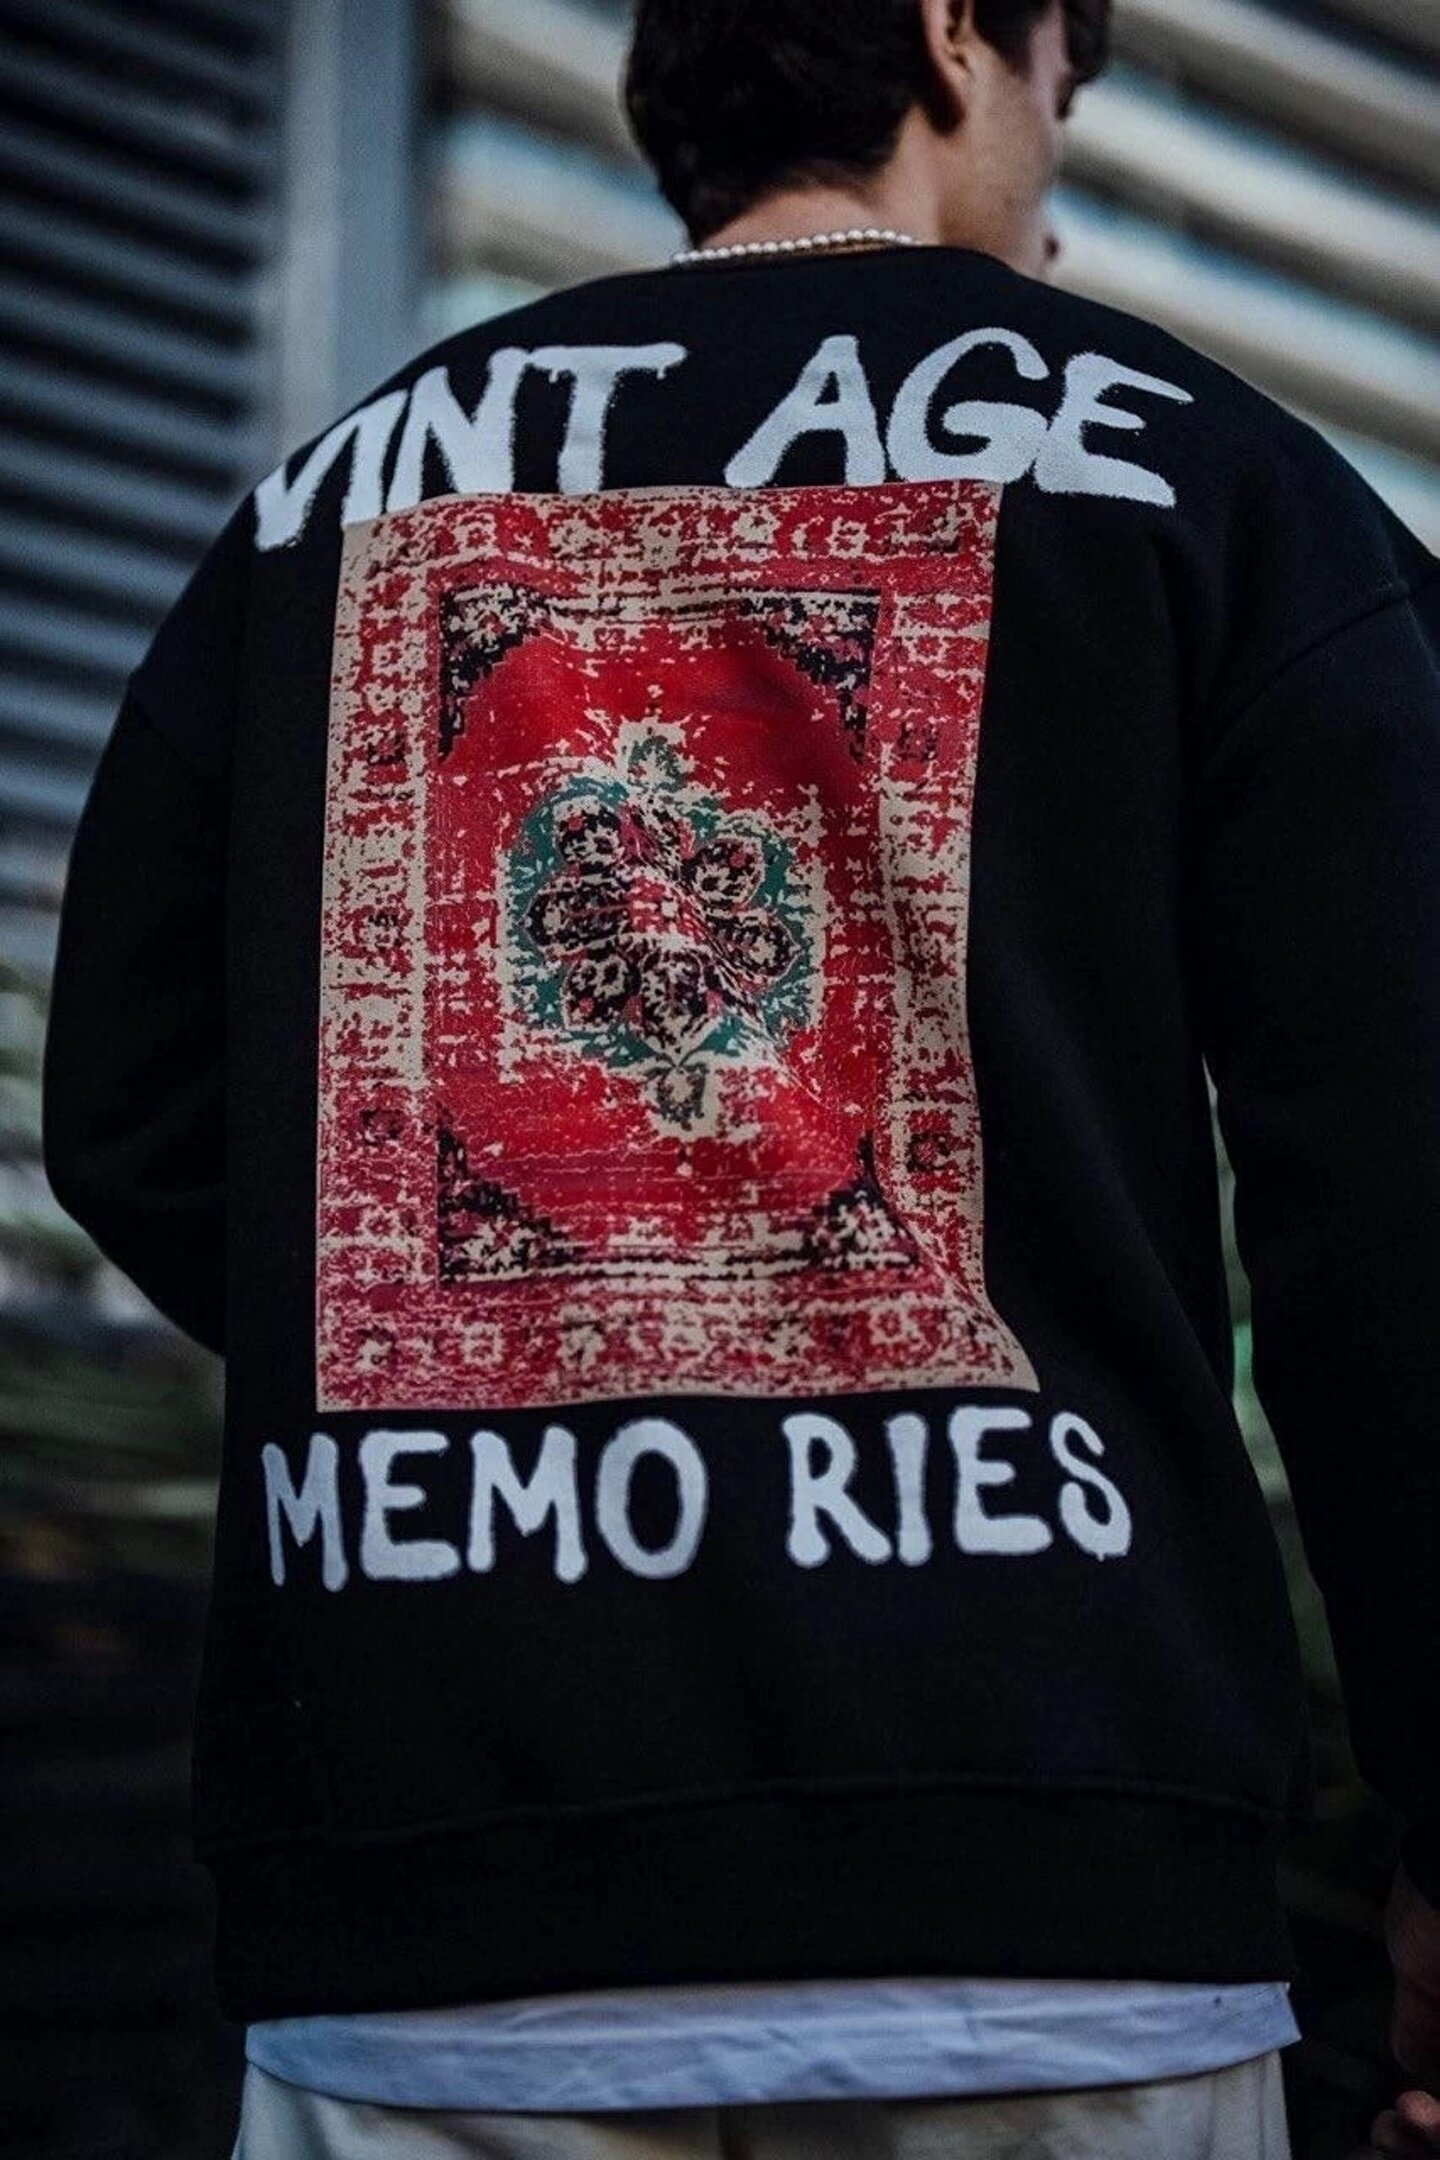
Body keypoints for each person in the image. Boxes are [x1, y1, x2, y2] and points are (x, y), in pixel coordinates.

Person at [39, 0, 1440, 2153]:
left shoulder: (327, 508)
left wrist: (557, 1365)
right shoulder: (1210, 479)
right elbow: (1405, 1194)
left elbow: (135, 1115)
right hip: (1046, 1906)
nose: (1058, 177)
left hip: (433, 1897)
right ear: (959, 29)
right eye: (1066, 88)